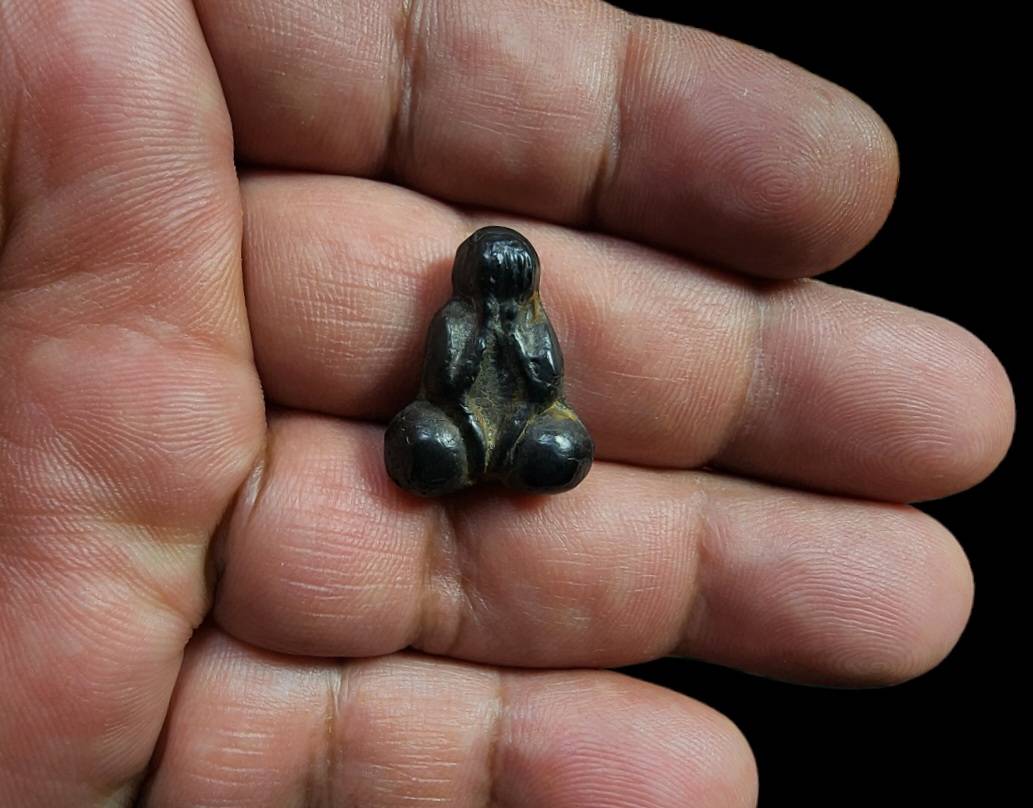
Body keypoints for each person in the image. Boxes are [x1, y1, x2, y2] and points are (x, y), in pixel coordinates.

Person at [0, 1, 1014, 805]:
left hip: (517, 425)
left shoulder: (531, 327)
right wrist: (470, 372)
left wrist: (525, 370)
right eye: (485, 277)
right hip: (460, 424)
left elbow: (544, 383)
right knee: (423, 441)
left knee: (563, 446)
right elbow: (442, 384)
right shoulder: (450, 323)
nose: (492, 288)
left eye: (504, 277)